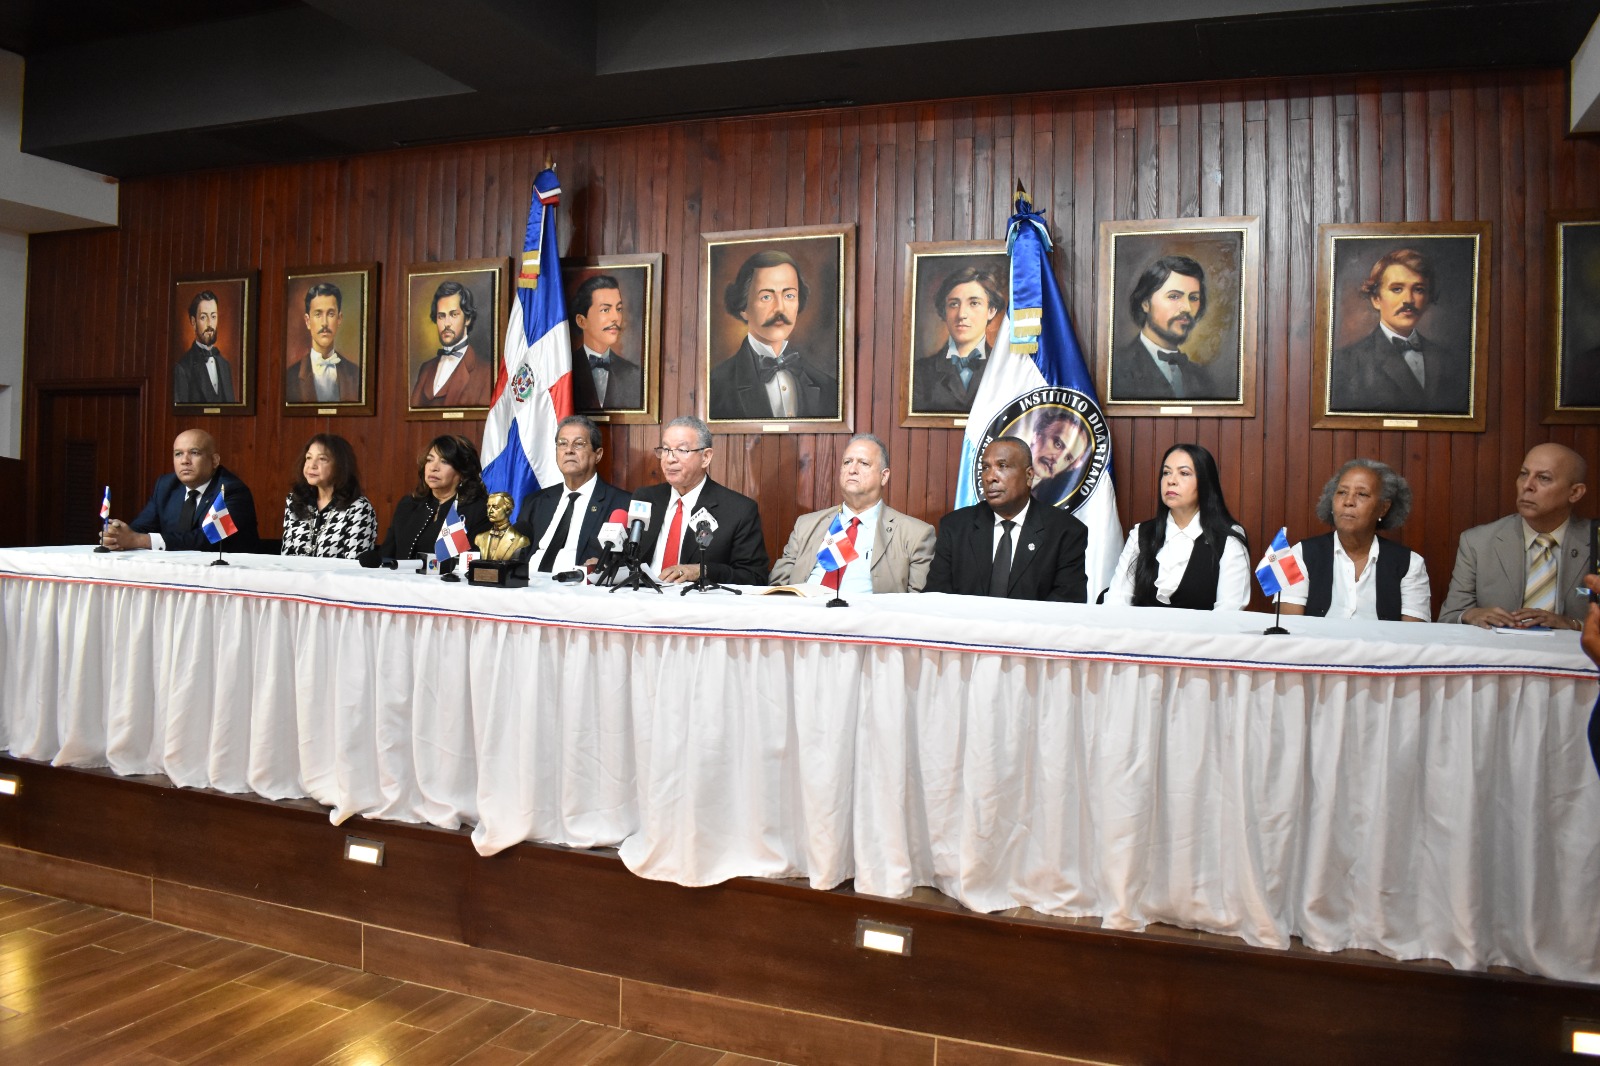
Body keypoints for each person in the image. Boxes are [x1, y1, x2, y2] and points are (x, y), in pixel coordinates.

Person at [1438, 443, 1594, 629]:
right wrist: (1470, 615)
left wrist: (1575, 625)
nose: (1527, 485)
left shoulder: (1594, 541)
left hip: (1573, 648)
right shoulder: (1478, 542)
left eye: (1543, 478)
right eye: (1524, 474)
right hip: (1497, 647)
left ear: (1575, 492)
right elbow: (1449, 617)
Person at [924, 437, 1088, 601]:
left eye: (1002, 466)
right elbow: (936, 597)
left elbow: (1067, 601)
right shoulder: (955, 526)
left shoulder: (1065, 531)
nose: (990, 477)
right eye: (985, 468)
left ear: (1029, 475)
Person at [768, 434, 936, 594]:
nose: (852, 469)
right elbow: (777, 586)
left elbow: (918, 603)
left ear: (884, 476)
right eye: (847, 462)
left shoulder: (915, 534)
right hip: (804, 611)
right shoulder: (805, 525)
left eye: (864, 463)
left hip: (869, 613)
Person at [1278, 459, 1430, 622]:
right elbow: (1292, 627)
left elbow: (1412, 633)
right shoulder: (1299, 554)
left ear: (1383, 508)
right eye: (1342, 492)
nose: (1348, 502)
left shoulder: (1410, 563)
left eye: (1362, 494)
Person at [1105, 442, 1251, 610]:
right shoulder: (1142, 533)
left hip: (1205, 628)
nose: (1171, 481)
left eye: (1184, 473)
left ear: (1205, 482)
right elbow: (1116, 601)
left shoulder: (1228, 538)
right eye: (1166, 472)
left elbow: (1229, 612)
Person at [1328, 247, 1471, 415]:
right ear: (1376, 299)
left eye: (1418, 289)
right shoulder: (1346, 362)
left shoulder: (1447, 359)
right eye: (1397, 289)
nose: (1408, 299)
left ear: (1427, 298)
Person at [629, 415, 770, 585]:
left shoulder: (738, 510)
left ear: (706, 457)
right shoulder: (645, 499)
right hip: (642, 595)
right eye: (665, 449)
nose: (670, 459)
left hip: (696, 599)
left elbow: (754, 576)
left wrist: (702, 571)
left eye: (682, 450)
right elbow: (627, 556)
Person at [709, 250, 837, 420]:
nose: (780, 308)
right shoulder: (715, 387)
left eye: (789, 295)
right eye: (766, 297)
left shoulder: (828, 387)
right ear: (743, 307)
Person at [101, 428, 259, 552]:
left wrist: (139, 540)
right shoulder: (166, 486)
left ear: (214, 460)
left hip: (226, 575)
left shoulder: (232, 490)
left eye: (194, 453)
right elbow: (141, 527)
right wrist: (118, 534)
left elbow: (206, 539)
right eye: (178, 454)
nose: (185, 461)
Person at [513, 414, 631, 573]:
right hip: (528, 582)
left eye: (579, 444)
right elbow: (518, 553)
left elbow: (627, 561)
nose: (569, 450)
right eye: (562, 444)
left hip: (577, 585)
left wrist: (606, 566)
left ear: (598, 454)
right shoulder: (535, 502)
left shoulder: (621, 504)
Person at [1110, 256, 1230, 402]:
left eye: (1193, 298)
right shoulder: (1116, 369)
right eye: (1174, 296)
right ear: (1146, 303)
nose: (1187, 308)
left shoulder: (1202, 378)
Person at [361, 435, 491, 565]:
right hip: (400, 578)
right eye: (429, 460)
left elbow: (476, 563)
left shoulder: (478, 510)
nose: (433, 468)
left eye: (445, 461)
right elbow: (386, 555)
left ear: (463, 472)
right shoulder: (409, 505)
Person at [911, 266, 1004, 414]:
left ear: (991, 310)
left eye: (974, 303)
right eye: (954, 304)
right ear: (944, 311)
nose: (961, 314)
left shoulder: (1005, 369)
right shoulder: (919, 372)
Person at [280, 433, 377, 559]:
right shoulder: (296, 501)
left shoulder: (359, 507)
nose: (312, 465)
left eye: (322, 459)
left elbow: (354, 565)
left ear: (340, 466)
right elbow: (286, 557)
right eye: (308, 458)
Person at [409, 280, 493, 408]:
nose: (446, 323)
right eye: (441, 316)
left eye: (453, 315)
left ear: (467, 319)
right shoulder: (426, 369)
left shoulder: (486, 373)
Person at [570, 275, 643, 411]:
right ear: (581, 321)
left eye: (619, 309)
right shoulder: (565, 370)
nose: (616, 317)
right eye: (605, 310)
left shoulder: (634, 373)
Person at [284, 282, 361, 404]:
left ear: (339, 319)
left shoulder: (356, 373)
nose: (324, 323)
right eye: (318, 314)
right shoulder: (290, 377)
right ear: (308, 321)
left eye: (330, 314)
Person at [173, 290, 236, 404]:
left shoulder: (225, 366)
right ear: (193, 322)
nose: (209, 324)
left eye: (213, 316)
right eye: (203, 317)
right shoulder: (182, 368)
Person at [1029, 408, 1092, 507]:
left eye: (1068, 458)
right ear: (1037, 435)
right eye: (1058, 444)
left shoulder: (1049, 501)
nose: (1057, 460)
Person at [475, 493, 531, 561]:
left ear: (507, 510)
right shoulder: (479, 538)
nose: (490, 511)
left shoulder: (520, 540)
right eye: (488, 507)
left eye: (495, 507)